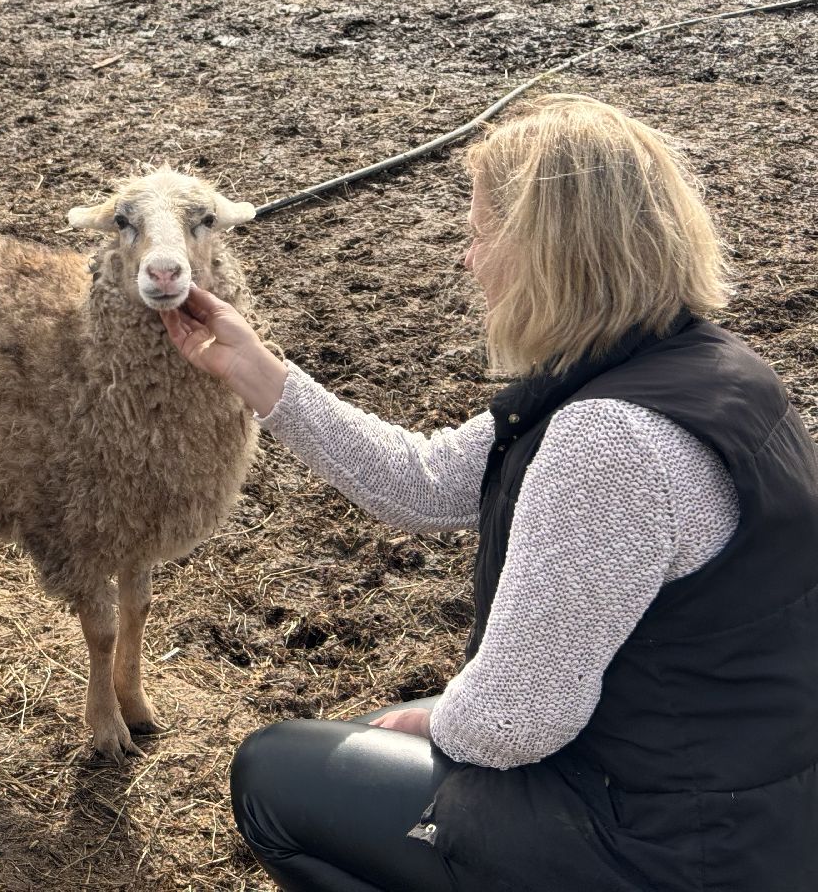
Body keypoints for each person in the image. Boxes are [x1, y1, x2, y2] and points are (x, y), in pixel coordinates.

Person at [161, 94, 818, 892]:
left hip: (665, 845)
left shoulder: (611, 441)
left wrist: (441, 718)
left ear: (549, 251)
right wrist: (251, 368)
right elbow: (429, 482)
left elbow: (513, 723)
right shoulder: (706, 368)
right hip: (755, 803)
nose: (468, 261)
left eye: (478, 235)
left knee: (274, 773)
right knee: (371, 736)